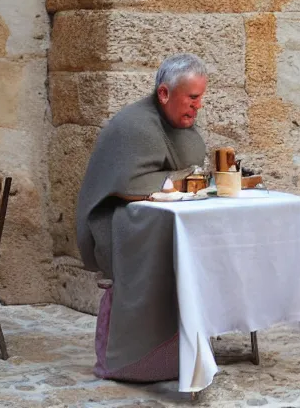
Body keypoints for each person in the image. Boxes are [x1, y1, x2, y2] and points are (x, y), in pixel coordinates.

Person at [77, 53, 208, 382]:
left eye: (201, 97)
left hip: (155, 219)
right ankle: (126, 362)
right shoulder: (134, 126)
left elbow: (188, 168)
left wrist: (178, 180)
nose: (198, 106)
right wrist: (177, 180)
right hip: (115, 224)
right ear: (165, 94)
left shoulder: (174, 123)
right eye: (192, 98)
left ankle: (176, 358)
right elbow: (129, 185)